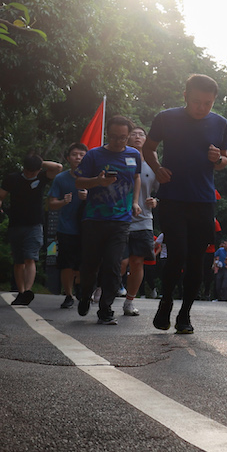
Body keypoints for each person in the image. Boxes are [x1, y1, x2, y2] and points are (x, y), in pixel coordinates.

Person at [144, 73, 227, 335]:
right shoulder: (166, 118)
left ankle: (185, 314)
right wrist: (157, 168)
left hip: (203, 200)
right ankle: (166, 300)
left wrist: (218, 159)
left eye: (207, 103)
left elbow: (225, 160)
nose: (201, 108)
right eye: (196, 102)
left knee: (197, 260)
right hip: (172, 197)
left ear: (214, 100)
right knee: (177, 253)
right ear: (185, 96)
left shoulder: (220, 124)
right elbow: (148, 148)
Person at [75, 116, 142, 324]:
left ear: (128, 136)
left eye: (123, 138)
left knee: (113, 265)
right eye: (114, 137)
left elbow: (137, 177)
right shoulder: (94, 155)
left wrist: (135, 201)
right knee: (90, 265)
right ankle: (85, 295)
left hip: (121, 220)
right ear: (107, 135)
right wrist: (98, 181)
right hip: (94, 218)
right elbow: (78, 180)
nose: (118, 142)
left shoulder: (134, 154)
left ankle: (105, 309)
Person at [0, 152, 64, 305]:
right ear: (23, 168)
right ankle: (21, 291)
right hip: (16, 224)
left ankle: (27, 291)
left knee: (30, 258)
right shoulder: (13, 178)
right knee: (18, 261)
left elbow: (59, 167)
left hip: (35, 224)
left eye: (34, 171)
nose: (31, 174)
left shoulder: (42, 177)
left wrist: (39, 162)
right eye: (28, 170)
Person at [122, 125, 159, 317]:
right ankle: (104, 288)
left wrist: (155, 201)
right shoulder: (121, 161)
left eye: (141, 134)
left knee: (137, 262)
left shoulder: (153, 165)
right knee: (120, 261)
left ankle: (129, 301)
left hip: (143, 219)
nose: (137, 137)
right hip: (118, 217)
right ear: (127, 139)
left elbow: (163, 191)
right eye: (133, 134)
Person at [47, 143, 88, 309]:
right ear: (68, 158)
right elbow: (51, 203)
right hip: (66, 228)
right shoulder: (61, 179)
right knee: (66, 264)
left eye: (81, 155)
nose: (78, 157)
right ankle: (69, 295)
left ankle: (81, 288)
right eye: (74, 154)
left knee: (84, 264)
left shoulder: (93, 177)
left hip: (88, 228)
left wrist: (87, 197)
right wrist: (63, 202)